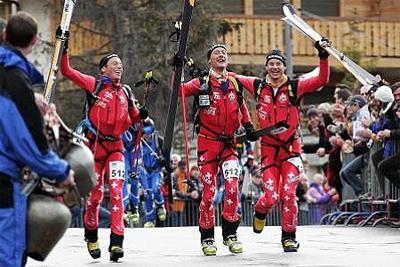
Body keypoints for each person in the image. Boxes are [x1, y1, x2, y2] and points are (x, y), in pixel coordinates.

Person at [237, 39, 331, 252]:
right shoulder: (257, 86)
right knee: (271, 198)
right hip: (269, 152)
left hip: (291, 150)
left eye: (279, 64)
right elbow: (232, 78)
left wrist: (323, 56)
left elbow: (321, 79)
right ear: (266, 67)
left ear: (284, 67)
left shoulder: (294, 86)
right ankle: (259, 212)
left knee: (288, 194)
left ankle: (289, 237)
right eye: (271, 63)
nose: (275, 67)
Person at [60, 33, 148, 261]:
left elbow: (133, 118)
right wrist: (64, 49)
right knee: (95, 197)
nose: (119, 67)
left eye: (121, 64)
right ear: (103, 70)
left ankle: (117, 243)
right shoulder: (94, 85)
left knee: (118, 193)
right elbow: (67, 71)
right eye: (114, 64)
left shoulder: (126, 92)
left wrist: (142, 115)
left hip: (116, 148)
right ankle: (91, 235)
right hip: (94, 149)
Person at [0, 12, 75, 267]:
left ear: (5, 36)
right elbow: (27, 144)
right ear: (34, 41)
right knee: (8, 257)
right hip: (3, 184)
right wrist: (62, 171)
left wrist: (31, 98)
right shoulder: (13, 81)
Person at [180, 44, 256, 256]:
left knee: (232, 188)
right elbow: (180, 91)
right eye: (217, 53)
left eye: (224, 53)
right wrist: (177, 70)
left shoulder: (234, 81)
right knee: (209, 193)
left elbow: (241, 105)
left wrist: (248, 125)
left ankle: (230, 234)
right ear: (209, 60)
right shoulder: (202, 82)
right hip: (208, 144)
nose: (222, 55)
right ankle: (207, 238)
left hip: (230, 145)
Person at [139, 117, 166, 228]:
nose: (147, 136)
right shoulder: (139, 143)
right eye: (145, 133)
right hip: (145, 172)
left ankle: (160, 205)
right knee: (147, 193)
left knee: (155, 189)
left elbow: (166, 157)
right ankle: (150, 220)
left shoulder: (158, 141)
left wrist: (162, 159)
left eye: (149, 133)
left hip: (156, 171)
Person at [122, 123, 141, 226]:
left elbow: (148, 127)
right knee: (123, 178)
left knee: (134, 179)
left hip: (135, 148)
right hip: (122, 148)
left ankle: (134, 206)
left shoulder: (134, 112)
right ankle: (124, 208)